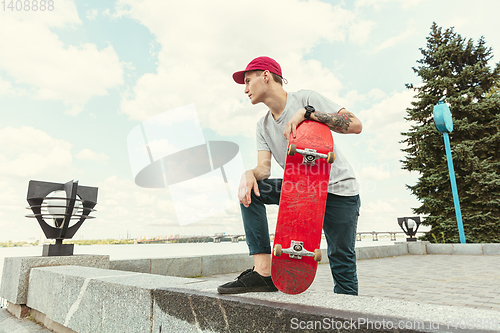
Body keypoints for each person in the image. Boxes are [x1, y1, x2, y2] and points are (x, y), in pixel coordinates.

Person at [217, 56, 362, 295]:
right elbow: (263, 169)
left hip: (339, 190)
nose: (245, 89)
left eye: (248, 81)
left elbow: (355, 124)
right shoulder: (262, 126)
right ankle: (264, 273)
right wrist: (248, 174)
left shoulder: (305, 98)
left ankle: (347, 321)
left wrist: (308, 114)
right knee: (251, 193)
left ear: (265, 76)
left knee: (341, 259)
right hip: (302, 189)